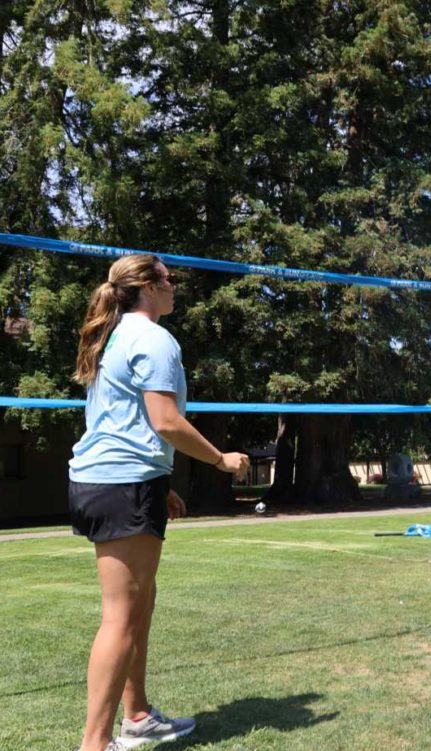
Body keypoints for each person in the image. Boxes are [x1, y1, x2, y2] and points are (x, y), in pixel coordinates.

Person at [69, 255, 249, 751]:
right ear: (148, 286)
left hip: (121, 481)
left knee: (140, 606)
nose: (175, 287)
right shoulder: (152, 338)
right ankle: (94, 744)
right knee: (121, 617)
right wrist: (220, 460)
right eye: (170, 279)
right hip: (119, 484)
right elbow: (165, 421)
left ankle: (138, 716)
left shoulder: (120, 335)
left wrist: (159, 483)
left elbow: (124, 421)